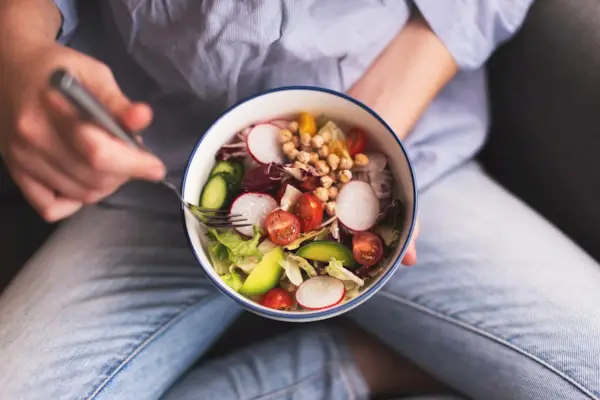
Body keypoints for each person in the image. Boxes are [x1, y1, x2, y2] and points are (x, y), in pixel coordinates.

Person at [1, 0, 599, 399]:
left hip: (411, 152)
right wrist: (16, 48)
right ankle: (356, 366)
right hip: (157, 165)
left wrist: (376, 131)